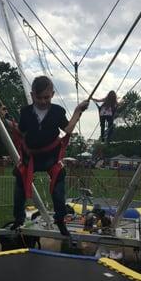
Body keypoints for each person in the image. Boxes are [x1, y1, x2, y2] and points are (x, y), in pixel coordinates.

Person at [10, 75, 89, 236]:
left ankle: (60, 220)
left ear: (52, 94)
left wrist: (77, 111)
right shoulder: (25, 112)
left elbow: (67, 129)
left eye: (46, 97)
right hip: (30, 158)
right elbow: (22, 131)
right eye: (39, 98)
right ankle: (18, 219)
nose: (43, 101)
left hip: (50, 158)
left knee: (58, 190)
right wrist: (6, 121)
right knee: (19, 187)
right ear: (32, 96)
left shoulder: (57, 111)